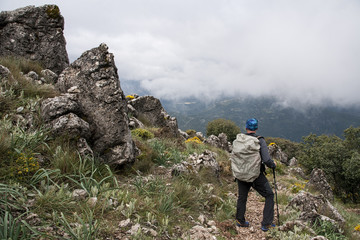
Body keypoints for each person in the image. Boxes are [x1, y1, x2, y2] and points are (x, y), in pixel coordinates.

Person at [235, 118, 277, 232]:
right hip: (255, 174)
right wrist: (273, 165)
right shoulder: (260, 140)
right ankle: (266, 224)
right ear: (257, 128)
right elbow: (267, 159)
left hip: (241, 172)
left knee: (242, 197)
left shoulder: (240, 139)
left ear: (246, 128)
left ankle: (240, 221)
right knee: (269, 195)